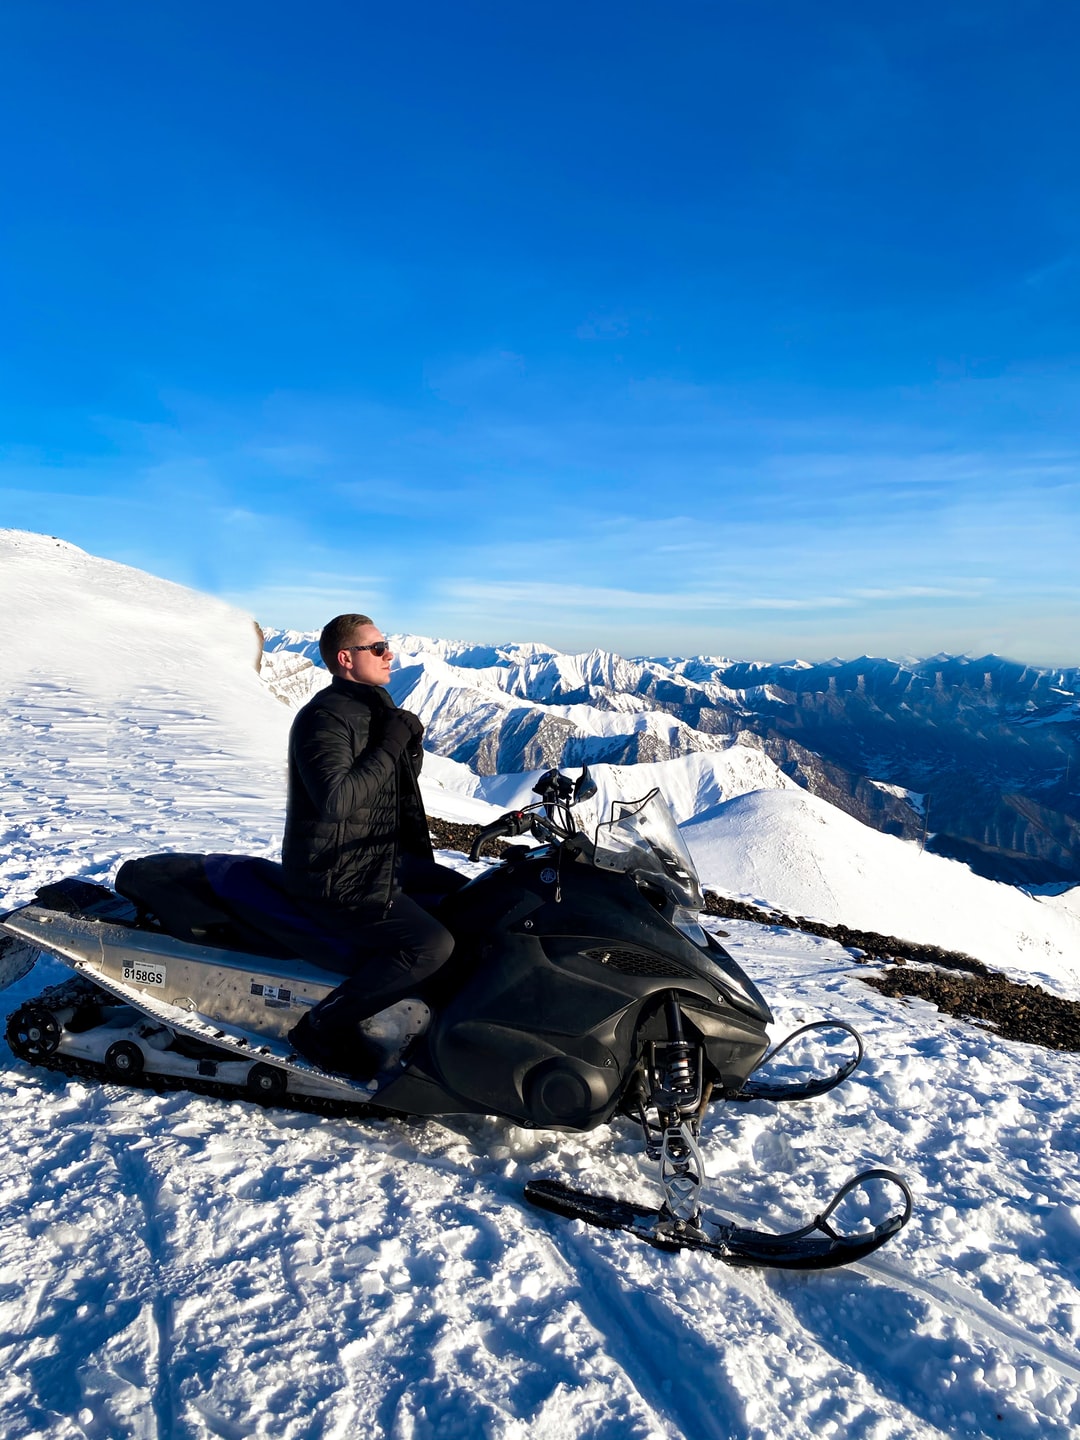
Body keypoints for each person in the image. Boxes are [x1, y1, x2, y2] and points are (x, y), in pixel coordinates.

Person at [281, 613, 460, 1079]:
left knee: (475, 900)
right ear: (346, 659)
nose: (389, 655)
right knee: (431, 944)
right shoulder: (323, 718)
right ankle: (322, 1024)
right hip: (334, 873)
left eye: (387, 646)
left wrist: (408, 749)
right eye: (377, 648)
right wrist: (391, 742)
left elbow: (384, 795)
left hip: (376, 859)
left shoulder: (370, 709)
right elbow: (338, 801)